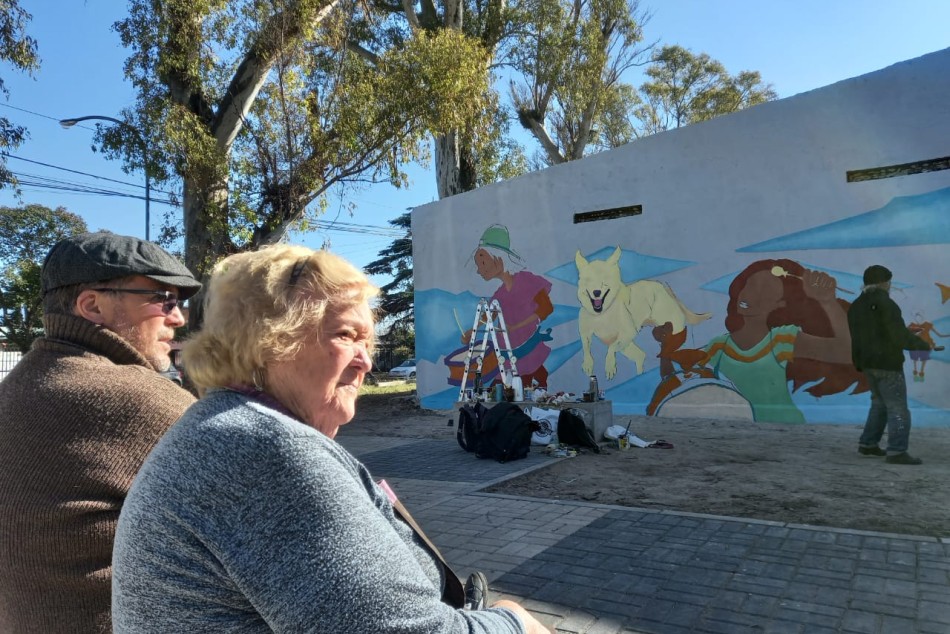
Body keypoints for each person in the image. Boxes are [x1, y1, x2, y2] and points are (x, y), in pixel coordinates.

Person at [112, 245, 550, 634]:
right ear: (266, 342)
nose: (365, 362)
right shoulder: (265, 452)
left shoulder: (231, 427)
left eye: (367, 340)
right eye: (345, 335)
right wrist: (514, 620)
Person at [0, 231, 201, 634]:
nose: (178, 317)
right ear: (92, 305)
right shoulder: (140, 399)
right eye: (163, 299)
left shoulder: (16, 386)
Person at [702, 259, 865, 423]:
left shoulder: (781, 341)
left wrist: (827, 302)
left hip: (786, 430)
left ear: (779, 304)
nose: (750, 294)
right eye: (749, 285)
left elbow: (846, 353)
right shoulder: (718, 347)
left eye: (765, 290)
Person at [447, 224, 553, 391]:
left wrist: (515, 327)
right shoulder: (500, 295)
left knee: (526, 391)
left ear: (499, 258)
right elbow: (489, 315)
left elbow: (546, 309)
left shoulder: (528, 281)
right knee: (499, 395)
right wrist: (472, 332)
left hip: (528, 353)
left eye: (482, 262)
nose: (479, 270)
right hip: (506, 358)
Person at [848, 265, 931, 464]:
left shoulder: (856, 305)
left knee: (879, 404)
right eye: (889, 282)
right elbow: (898, 335)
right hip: (887, 364)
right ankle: (897, 451)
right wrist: (921, 345)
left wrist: (859, 361)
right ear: (883, 283)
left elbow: (857, 337)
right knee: (898, 409)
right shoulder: (887, 304)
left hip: (867, 364)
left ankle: (868, 444)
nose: (890, 285)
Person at [907, 313, 947, 382]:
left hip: (925, 345)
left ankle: (921, 374)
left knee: (923, 360)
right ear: (914, 318)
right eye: (916, 316)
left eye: (920, 316)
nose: (918, 318)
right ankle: (916, 375)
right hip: (915, 345)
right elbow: (906, 334)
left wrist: (946, 335)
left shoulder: (927, 325)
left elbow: (939, 335)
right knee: (915, 360)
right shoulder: (912, 326)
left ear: (923, 317)